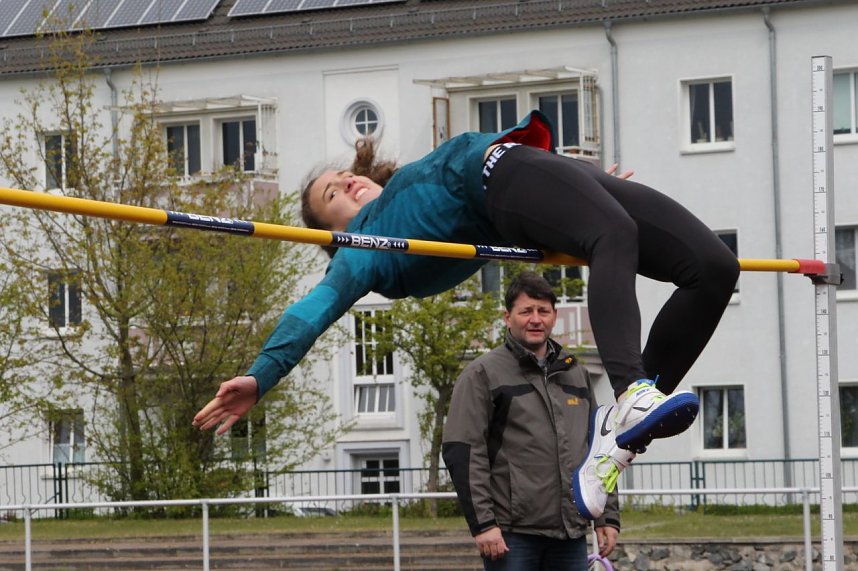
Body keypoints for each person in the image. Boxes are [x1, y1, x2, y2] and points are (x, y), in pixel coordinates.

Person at [193, 110, 740, 517]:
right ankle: (629, 398)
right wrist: (263, 374)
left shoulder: (407, 187)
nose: (347, 183)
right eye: (332, 196)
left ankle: (619, 436)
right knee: (612, 232)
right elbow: (313, 309)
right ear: (332, 232)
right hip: (502, 174)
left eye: (342, 176)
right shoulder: (363, 250)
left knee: (714, 268)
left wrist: (575, 192)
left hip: (542, 171)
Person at [442, 271, 621, 570]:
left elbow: (599, 449)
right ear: (507, 317)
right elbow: (462, 451)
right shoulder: (482, 374)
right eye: (526, 311)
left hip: (571, 533)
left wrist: (606, 515)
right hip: (513, 537)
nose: (535, 319)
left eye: (543, 311)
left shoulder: (575, 373)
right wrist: (484, 524)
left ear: (554, 316)